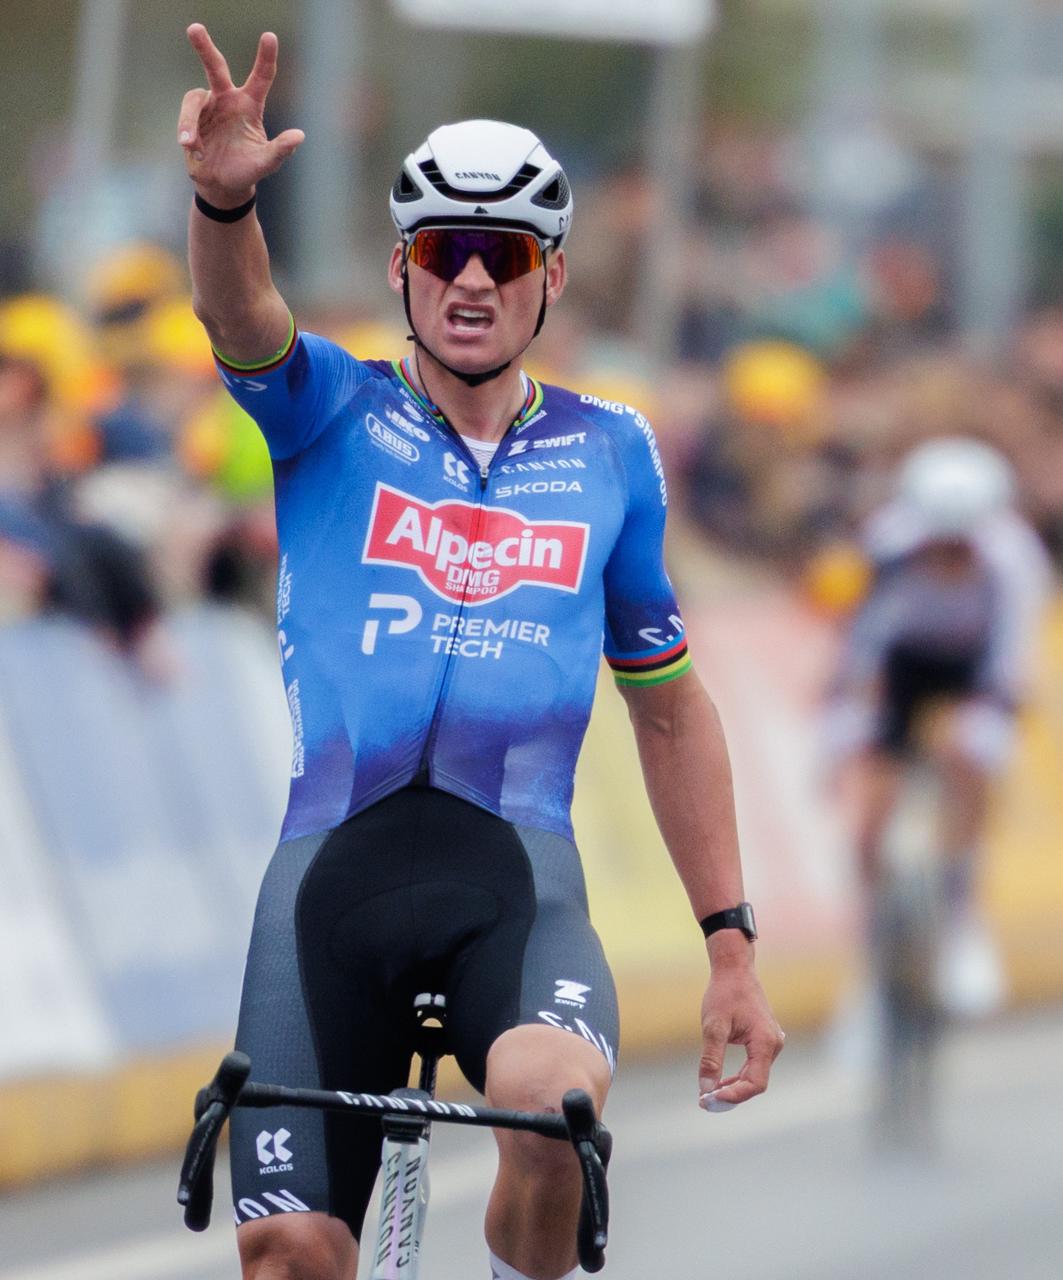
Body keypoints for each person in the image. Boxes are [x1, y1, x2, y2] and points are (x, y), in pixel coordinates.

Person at [176, 24, 782, 1280]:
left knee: (555, 1115)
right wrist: (223, 203)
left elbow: (668, 711)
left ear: (549, 278)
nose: (469, 281)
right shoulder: (332, 409)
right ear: (402, 269)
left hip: (514, 875)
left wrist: (732, 943)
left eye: (500, 256)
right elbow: (241, 316)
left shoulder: (613, 452)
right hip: (331, 876)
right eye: (442, 251)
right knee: (289, 1251)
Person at [825, 437, 1050, 1018]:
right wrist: (851, 713)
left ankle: (962, 920)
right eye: (937, 541)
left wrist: (995, 709)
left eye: (961, 544)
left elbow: (1014, 655)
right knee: (870, 806)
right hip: (904, 666)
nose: (948, 553)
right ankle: (872, 953)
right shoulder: (886, 545)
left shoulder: (1014, 558)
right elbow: (859, 641)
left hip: (972, 667)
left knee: (972, 758)